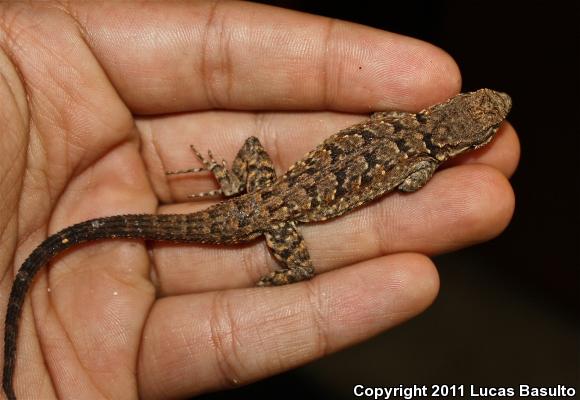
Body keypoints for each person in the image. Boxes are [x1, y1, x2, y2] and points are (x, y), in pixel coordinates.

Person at [0, 1, 519, 398]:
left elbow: (379, 138)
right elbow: (406, 185)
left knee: (252, 151)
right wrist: (418, 167)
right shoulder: (420, 164)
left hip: (268, 195)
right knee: (301, 269)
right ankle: (282, 269)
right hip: (277, 213)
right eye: (484, 115)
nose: (496, 107)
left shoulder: (399, 120)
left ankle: (229, 184)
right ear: (465, 142)